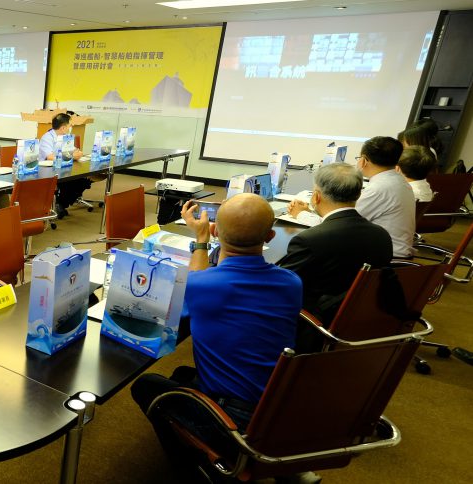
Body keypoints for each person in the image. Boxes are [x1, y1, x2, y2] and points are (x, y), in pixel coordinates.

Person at [130, 194, 301, 463]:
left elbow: (197, 282)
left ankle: (199, 465)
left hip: (235, 423)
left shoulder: (201, 286)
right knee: (182, 375)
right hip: (278, 409)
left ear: (216, 232)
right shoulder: (291, 282)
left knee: (146, 385)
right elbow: (212, 282)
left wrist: (201, 240)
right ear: (270, 236)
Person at [276, 164, 393, 349]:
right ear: (358, 194)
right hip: (358, 320)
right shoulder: (382, 235)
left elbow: (279, 286)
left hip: (312, 324)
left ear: (316, 196)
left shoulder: (309, 240)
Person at [288, 136, 415, 259]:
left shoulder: (379, 188)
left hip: (382, 256)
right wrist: (311, 211)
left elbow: (339, 226)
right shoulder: (397, 181)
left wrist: (301, 214)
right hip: (385, 249)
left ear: (363, 161)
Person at [39, 113, 90, 218]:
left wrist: (78, 153)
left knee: (83, 181)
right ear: (63, 128)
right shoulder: (47, 138)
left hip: (62, 168)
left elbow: (75, 151)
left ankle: (61, 203)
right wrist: (71, 156)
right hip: (47, 170)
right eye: (70, 125)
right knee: (72, 181)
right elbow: (50, 157)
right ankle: (60, 203)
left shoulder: (65, 137)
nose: (71, 127)